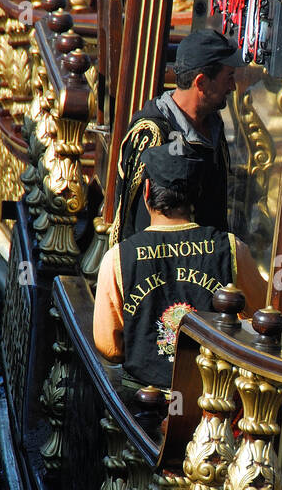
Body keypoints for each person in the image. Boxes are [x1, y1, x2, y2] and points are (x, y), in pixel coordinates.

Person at [94, 144, 265, 392]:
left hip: (141, 407)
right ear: (195, 194)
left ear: (147, 190)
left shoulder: (118, 258)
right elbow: (261, 317)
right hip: (212, 403)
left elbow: (109, 347)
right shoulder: (232, 249)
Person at [110, 28, 242, 245]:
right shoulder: (151, 134)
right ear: (201, 83)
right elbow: (129, 223)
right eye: (228, 78)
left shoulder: (214, 126)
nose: (233, 86)